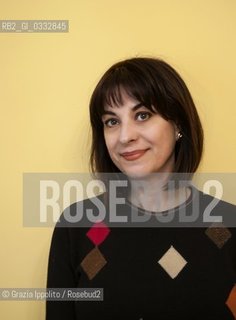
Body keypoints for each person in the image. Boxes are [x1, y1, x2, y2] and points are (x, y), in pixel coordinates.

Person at [46, 57, 236, 319]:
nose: (125, 137)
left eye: (142, 115)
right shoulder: (78, 226)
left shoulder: (227, 228)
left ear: (178, 124)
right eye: (112, 121)